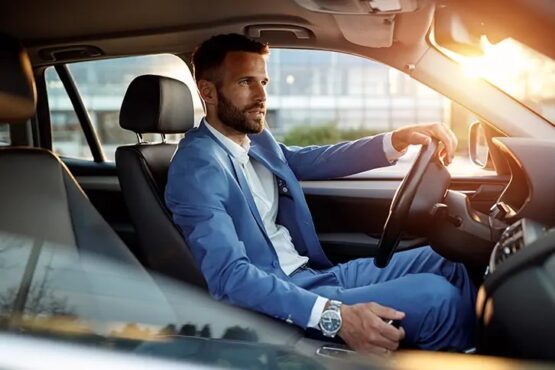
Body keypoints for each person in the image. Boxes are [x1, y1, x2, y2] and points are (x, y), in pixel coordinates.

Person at [165, 33, 476, 355]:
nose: (261, 96)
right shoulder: (197, 168)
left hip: (313, 274)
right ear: (207, 92)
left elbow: (306, 160)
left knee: (448, 259)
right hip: (283, 296)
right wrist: (334, 316)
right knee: (437, 297)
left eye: (264, 82)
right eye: (246, 82)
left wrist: (396, 140)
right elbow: (229, 276)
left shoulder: (252, 136)